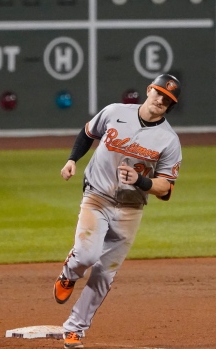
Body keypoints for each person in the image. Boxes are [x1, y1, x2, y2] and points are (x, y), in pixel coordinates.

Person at [53, 74, 183, 348]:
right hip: (97, 196)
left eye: (167, 100)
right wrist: (72, 160)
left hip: (131, 208)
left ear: (171, 105)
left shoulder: (169, 140)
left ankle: (75, 329)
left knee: (105, 274)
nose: (160, 100)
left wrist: (142, 181)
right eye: (158, 93)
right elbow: (88, 133)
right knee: (86, 255)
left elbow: (166, 189)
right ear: (149, 90)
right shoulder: (114, 112)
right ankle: (69, 273)